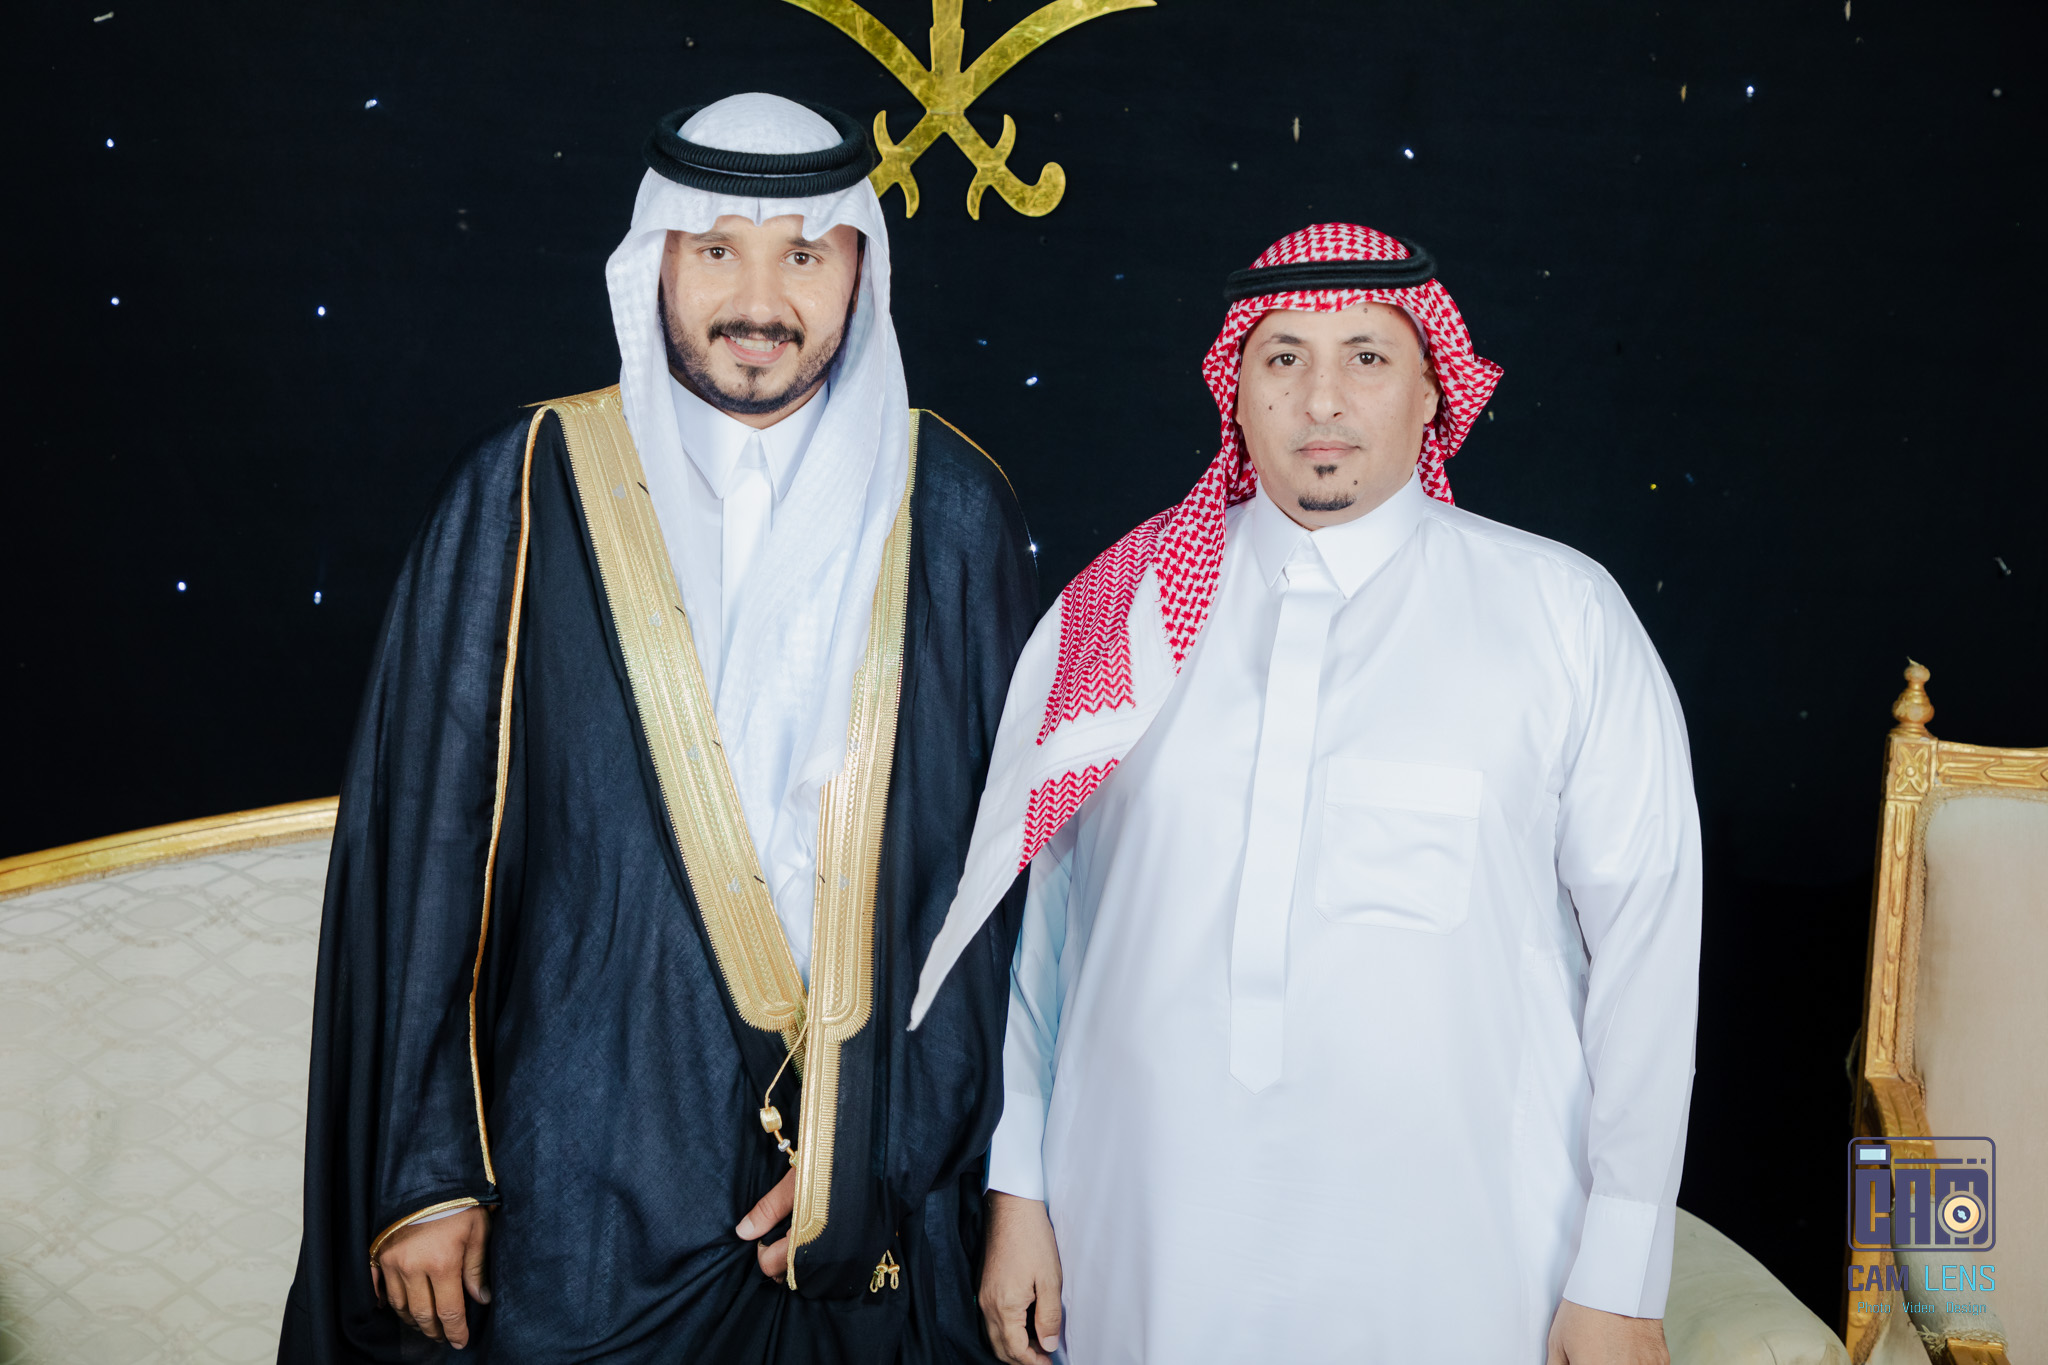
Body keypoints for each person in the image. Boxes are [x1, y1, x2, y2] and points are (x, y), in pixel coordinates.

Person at [281, 93, 1035, 1363]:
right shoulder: (527, 485)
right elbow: (429, 844)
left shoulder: (950, 506)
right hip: (580, 1184)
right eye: (717, 251)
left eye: (804, 255)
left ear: (860, 270)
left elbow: (995, 887)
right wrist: (427, 1166)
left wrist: (886, 1150)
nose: (760, 300)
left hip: (870, 1206)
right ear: (657, 263)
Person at [910, 224, 1700, 1363]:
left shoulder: (1561, 615)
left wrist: (1619, 1276)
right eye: (1283, 357)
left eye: (1366, 356)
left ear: (1433, 389)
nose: (1321, 398)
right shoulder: (1122, 609)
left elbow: (1646, 960)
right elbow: (1045, 935)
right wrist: (1018, 1187)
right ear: (1234, 391)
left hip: (1474, 1259)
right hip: (1141, 1234)